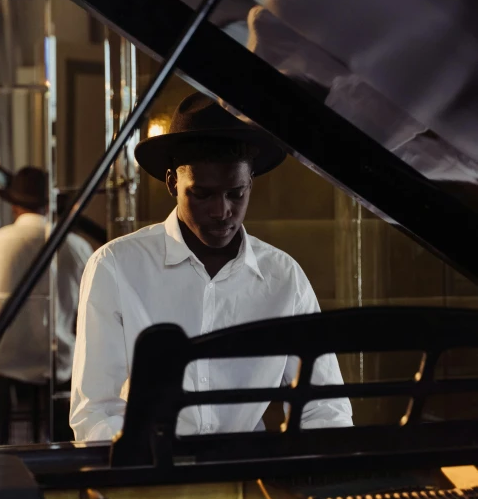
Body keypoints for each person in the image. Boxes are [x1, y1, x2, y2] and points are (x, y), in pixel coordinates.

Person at [70, 93, 352, 441]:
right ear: (173, 182)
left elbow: (325, 405)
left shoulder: (284, 276)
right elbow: (96, 410)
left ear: (251, 184)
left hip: (248, 472)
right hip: (148, 473)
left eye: (236, 194)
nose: (221, 211)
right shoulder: (114, 267)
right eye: (202, 195)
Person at [0, 167, 93, 387]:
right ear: (49, 206)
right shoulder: (76, 246)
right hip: (58, 360)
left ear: (14, 207)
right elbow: (88, 308)